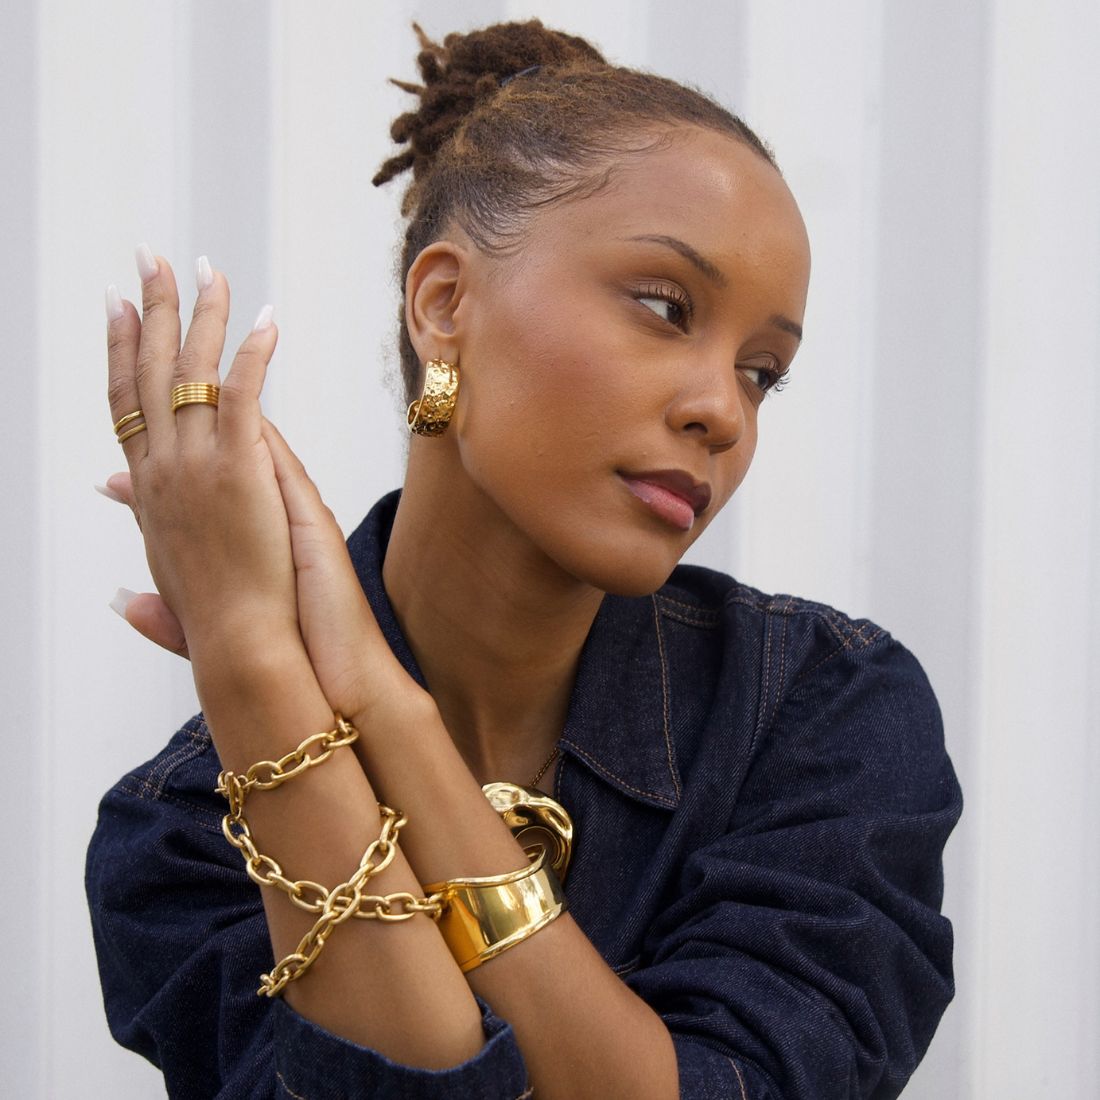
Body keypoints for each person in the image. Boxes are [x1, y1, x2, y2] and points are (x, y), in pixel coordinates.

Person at [86, 19, 961, 1100]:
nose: (723, 412)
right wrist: (257, 671)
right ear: (444, 304)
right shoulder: (182, 833)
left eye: (761, 370)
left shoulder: (816, 711)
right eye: (665, 307)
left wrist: (383, 710)